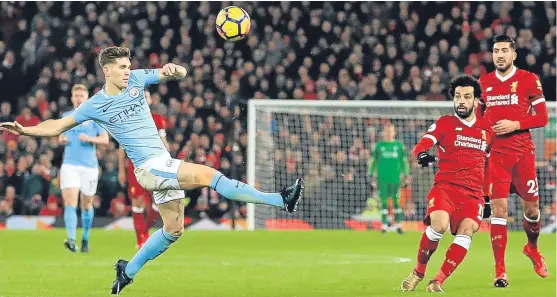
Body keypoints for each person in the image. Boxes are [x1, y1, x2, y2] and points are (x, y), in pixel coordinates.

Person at [0, 46, 304, 295]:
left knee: (174, 230)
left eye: (128, 65)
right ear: (106, 70)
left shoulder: (136, 80)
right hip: (149, 167)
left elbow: (177, 74)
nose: (127, 70)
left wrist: (176, 69)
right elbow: (58, 125)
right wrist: (26, 130)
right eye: (121, 67)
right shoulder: (93, 105)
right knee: (210, 175)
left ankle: (127, 271)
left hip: (162, 162)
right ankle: (281, 200)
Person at [400, 75, 494, 292]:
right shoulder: (445, 123)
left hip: (473, 194)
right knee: (439, 225)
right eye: (458, 96)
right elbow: (423, 143)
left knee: (467, 230)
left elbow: (487, 166)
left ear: (475, 101)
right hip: (446, 188)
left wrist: (487, 199)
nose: (461, 101)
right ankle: (418, 272)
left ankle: (437, 281)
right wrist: (422, 154)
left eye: (467, 97)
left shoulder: (487, 132)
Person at [478, 35, 549, 287]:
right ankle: (500, 271)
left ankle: (532, 248)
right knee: (499, 212)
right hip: (496, 157)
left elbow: (542, 118)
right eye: (496, 50)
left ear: (513, 54)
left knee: (532, 212)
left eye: (504, 50)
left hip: (523, 155)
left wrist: (516, 123)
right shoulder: (484, 83)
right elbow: (478, 118)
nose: (499, 55)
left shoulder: (529, 80)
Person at [58, 84, 109, 253]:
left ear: (86, 97)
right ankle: (71, 239)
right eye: (76, 95)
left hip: (89, 166)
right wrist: (61, 139)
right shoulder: (67, 116)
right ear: (72, 98)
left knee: (86, 204)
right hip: (70, 164)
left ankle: (85, 236)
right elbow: (59, 134)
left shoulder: (94, 117)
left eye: (81, 95)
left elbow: (105, 139)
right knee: (70, 202)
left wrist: (90, 139)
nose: (79, 98)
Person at [118, 90, 167, 248]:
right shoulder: (128, 121)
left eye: (146, 97)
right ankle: (140, 239)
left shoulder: (158, 120)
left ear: (151, 100)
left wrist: (169, 161)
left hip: (155, 165)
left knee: (157, 203)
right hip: (136, 166)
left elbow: (163, 142)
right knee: (137, 202)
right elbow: (121, 148)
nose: (143, 100)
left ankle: (145, 231)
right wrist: (120, 169)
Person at [367, 125, 410, 233]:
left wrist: (406, 174)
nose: (388, 133)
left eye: (390, 131)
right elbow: (373, 161)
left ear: (394, 132)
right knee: (384, 202)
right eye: (387, 131)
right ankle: (384, 225)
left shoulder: (399, 146)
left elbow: (404, 161)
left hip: (395, 179)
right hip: (382, 179)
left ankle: (398, 225)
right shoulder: (379, 146)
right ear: (384, 133)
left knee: (396, 202)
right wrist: (370, 173)